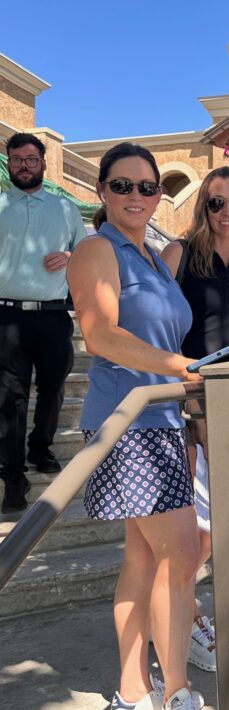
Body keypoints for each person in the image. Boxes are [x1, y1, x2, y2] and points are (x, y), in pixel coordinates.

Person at [68, 141, 214, 710]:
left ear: (159, 195)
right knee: (180, 554)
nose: (136, 196)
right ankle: (177, 696)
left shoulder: (153, 256)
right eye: (122, 185)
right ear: (101, 191)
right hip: (127, 421)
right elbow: (100, 334)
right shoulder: (96, 250)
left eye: (147, 187)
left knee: (145, 557)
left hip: (161, 418)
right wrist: (179, 366)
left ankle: (133, 693)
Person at [161, 165, 229, 672]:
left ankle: (184, 615)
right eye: (217, 202)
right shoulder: (179, 254)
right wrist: (182, 388)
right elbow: (154, 326)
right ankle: (187, 620)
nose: (227, 212)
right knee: (190, 529)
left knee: (220, 522)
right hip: (183, 402)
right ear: (203, 206)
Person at [0, 132, 85, 516]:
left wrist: (69, 256)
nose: (24, 166)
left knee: (53, 387)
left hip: (52, 315)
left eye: (31, 159)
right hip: (6, 317)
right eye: (17, 159)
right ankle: (13, 477)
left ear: (43, 164)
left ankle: (41, 447)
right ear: (9, 163)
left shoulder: (65, 209)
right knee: (9, 398)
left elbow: (86, 253)